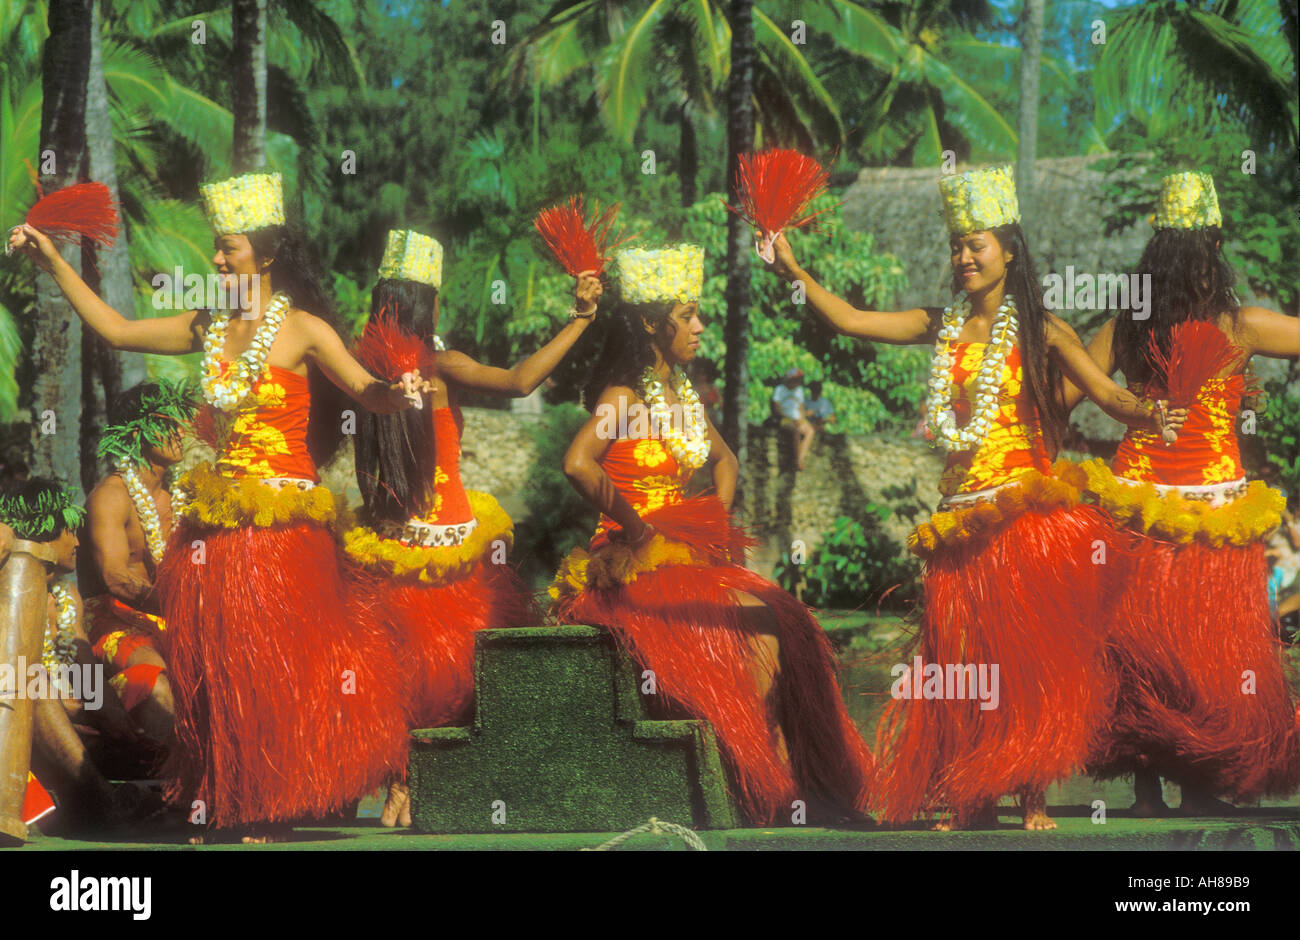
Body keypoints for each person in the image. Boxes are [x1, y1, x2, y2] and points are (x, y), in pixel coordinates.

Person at [765, 164, 1183, 830]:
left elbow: (1107, 395)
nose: (962, 256)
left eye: (976, 244)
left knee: (1023, 661)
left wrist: (1151, 413)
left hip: (1022, 516)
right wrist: (797, 273)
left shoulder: (1042, 331)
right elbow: (851, 321)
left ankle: (1034, 795)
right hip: (960, 521)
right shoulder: (943, 326)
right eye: (956, 245)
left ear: (1008, 250)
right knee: (960, 661)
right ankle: (969, 794)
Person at [9, 171, 420, 843]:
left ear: (263, 252)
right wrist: (53, 259)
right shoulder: (208, 326)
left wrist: (394, 395)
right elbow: (115, 330)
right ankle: (233, 797)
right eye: (217, 248)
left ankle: (278, 798)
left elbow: (365, 389)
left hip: (285, 525)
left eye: (227, 247)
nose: (218, 259)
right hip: (221, 533)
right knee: (224, 670)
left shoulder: (304, 329)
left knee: (284, 668)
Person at [552, 245, 875, 825]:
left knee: (781, 619)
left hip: (685, 555)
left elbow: (725, 462)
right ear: (653, 323)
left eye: (699, 314)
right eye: (688, 314)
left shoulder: (681, 398)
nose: (700, 326)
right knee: (754, 638)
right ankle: (753, 786)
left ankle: (786, 782)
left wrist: (716, 523)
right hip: (629, 566)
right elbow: (579, 463)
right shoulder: (623, 398)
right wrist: (635, 526)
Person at [1060, 171, 1300, 814]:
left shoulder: (1149, 328)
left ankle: (1169, 789)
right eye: (1201, 253)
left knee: (1163, 647)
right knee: (1167, 651)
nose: (1205, 265)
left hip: (1177, 509)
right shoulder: (1219, 324)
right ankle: (1174, 790)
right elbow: (1069, 393)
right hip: (1165, 509)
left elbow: (1064, 396)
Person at [341, 229, 599, 827]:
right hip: (450, 540)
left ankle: (400, 779)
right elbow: (520, 381)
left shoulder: (359, 371)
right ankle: (423, 781)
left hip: (389, 539)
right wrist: (580, 320)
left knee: (397, 665)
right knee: (458, 667)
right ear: (426, 306)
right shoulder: (441, 365)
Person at [2, 479, 148, 832]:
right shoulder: (6, 586)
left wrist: (111, 720)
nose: (78, 542)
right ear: (45, 530)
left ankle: (110, 797)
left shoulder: (68, 598)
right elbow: (16, 681)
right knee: (30, 683)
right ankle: (105, 802)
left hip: (55, 730)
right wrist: (82, 709)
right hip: (10, 722)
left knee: (138, 748)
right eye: (69, 530)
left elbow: (89, 678)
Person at [79, 380, 197, 747]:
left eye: (181, 422)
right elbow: (115, 577)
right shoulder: (110, 497)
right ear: (136, 431)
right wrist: (180, 603)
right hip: (113, 618)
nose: (181, 431)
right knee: (155, 673)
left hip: (173, 618)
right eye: (168, 422)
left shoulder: (187, 496)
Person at [771, 367, 814, 470]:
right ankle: (794, 460)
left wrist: (802, 420)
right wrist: (791, 419)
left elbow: (801, 408)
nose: (798, 381)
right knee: (794, 431)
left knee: (810, 431)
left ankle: (800, 459)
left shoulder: (799, 391)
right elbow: (777, 409)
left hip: (797, 419)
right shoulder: (780, 390)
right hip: (784, 419)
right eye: (796, 379)